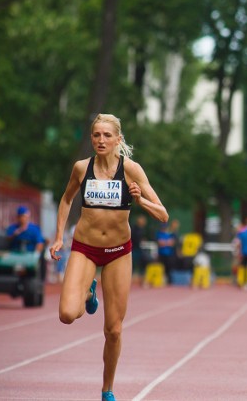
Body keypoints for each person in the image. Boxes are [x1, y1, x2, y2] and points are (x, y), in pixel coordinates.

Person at [48, 113, 168, 401]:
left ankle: (107, 389)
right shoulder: (81, 168)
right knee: (66, 314)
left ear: (118, 139)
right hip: (85, 247)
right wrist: (57, 237)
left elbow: (163, 215)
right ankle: (90, 291)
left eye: (107, 135)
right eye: (96, 135)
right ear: (91, 138)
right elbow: (66, 200)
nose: (101, 140)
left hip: (117, 253)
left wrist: (140, 200)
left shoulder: (132, 170)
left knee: (113, 329)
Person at [130, 215, 148, 281]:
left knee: (144, 260)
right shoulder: (133, 228)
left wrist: (143, 240)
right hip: (133, 248)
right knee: (132, 263)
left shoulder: (142, 229)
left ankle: (142, 276)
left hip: (139, 249)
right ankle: (129, 277)